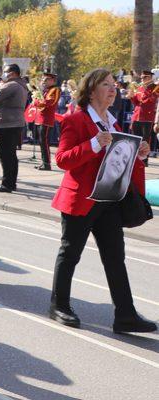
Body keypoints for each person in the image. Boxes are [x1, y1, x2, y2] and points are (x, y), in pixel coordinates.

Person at [49, 68, 156, 334]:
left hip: (109, 201)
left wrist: (138, 155)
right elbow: (63, 160)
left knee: (115, 258)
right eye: (106, 85)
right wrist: (94, 144)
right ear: (92, 89)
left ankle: (125, 315)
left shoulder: (113, 122)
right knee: (70, 253)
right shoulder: (77, 119)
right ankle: (59, 305)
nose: (113, 89)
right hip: (81, 200)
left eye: (114, 85)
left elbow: (117, 163)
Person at [0, 64, 29, 192]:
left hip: (6, 124)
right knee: (10, 155)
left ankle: (7, 184)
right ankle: (10, 182)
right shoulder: (19, 84)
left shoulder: (12, 85)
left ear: (13, 73)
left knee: (6, 156)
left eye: (5, 72)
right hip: (12, 123)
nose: (2, 74)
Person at [33, 70, 61, 171]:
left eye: (46, 79)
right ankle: (44, 162)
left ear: (52, 80)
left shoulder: (55, 89)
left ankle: (47, 163)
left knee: (44, 142)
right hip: (41, 117)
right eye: (43, 79)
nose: (44, 81)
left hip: (47, 119)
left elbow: (50, 102)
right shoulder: (46, 90)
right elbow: (39, 100)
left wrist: (37, 102)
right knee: (41, 141)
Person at [129, 70, 158, 165]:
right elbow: (137, 102)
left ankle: (144, 160)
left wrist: (145, 90)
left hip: (147, 117)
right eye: (142, 77)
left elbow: (151, 100)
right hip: (137, 116)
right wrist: (132, 97)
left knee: (145, 139)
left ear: (150, 77)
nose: (142, 79)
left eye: (144, 77)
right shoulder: (140, 88)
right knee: (135, 138)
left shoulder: (156, 87)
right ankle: (135, 158)